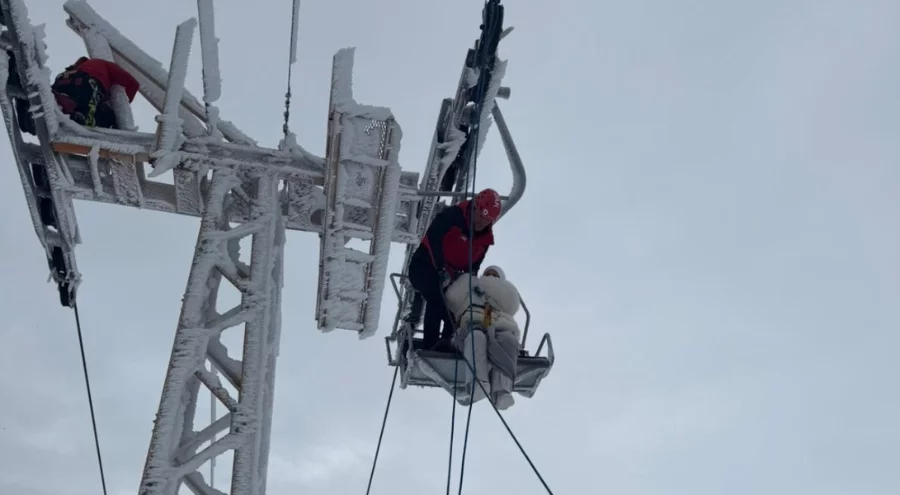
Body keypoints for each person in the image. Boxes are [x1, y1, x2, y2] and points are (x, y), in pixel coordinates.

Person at [405, 188, 503, 351]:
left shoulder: (484, 241)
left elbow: (473, 267)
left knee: (454, 312)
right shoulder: (452, 216)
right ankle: (430, 346)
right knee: (436, 300)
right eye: (480, 216)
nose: (482, 223)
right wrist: (440, 268)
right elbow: (434, 239)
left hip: (449, 278)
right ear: (474, 207)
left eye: (487, 220)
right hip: (424, 267)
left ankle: (448, 344)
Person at [444, 265, 521, 410]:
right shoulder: (471, 287)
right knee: (477, 336)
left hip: (498, 327)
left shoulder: (504, 299)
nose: (490, 277)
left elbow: (511, 305)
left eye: (494, 276)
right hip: (471, 327)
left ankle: (501, 391)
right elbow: (452, 299)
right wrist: (466, 281)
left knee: (508, 341)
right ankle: (477, 383)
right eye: (488, 274)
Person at [51, 56, 139, 129]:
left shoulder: (79, 67)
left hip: (64, 78)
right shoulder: (106, 65)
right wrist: (124, 104)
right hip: (86, 80)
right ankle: (81, 117)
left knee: (69, 99)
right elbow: (133, 84)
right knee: (87, 111)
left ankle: (60, 104)